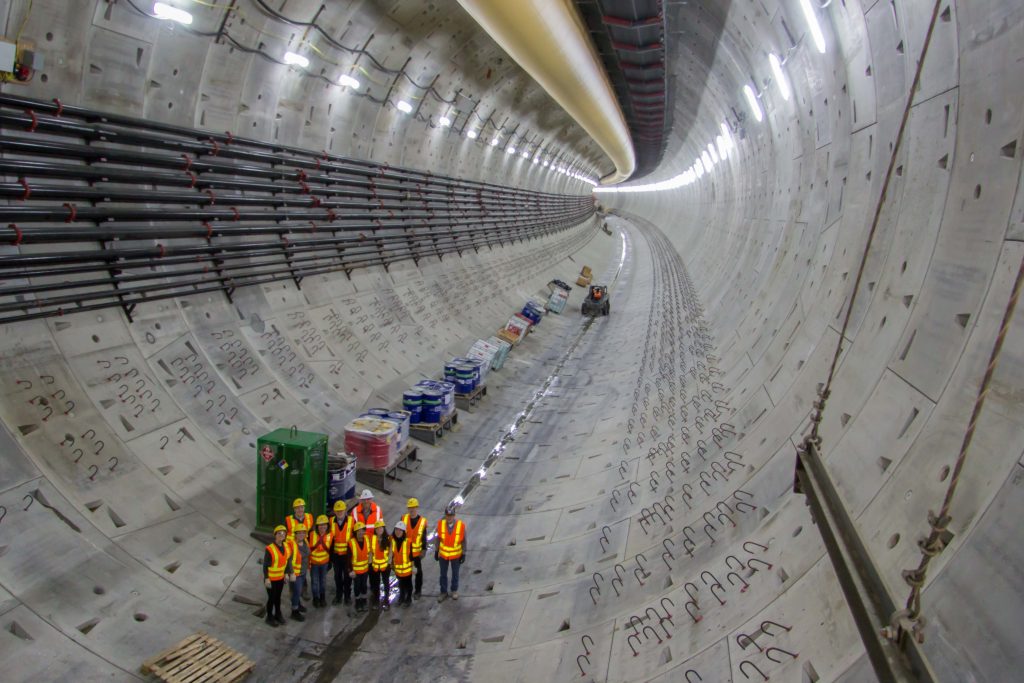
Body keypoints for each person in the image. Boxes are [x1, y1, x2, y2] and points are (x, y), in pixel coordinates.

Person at [435, 503, 466, 602]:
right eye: (447, 516)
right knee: (443, 574)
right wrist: (437, 551)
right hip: (443, 555)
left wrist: (463, 553)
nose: (449, 518)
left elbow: (464, 540)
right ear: (445, 516)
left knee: (455, 573)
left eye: (451, 516)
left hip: (456, 555)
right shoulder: (440, 524)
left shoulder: (460, 526)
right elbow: (438, 539)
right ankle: (443, 592)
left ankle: (454, 591)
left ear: (454, 516)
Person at [263, 525, 292, 627]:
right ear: (275, 535)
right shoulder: (270, 549)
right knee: (271, 598)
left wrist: (286, 574)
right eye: (279, 533)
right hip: (271, 579)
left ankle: (278, 614)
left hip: (280, 578)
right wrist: (266, 578)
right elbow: (265, 565)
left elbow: (286, 562)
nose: (281, 535)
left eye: (283, 533)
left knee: (278, 597)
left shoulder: (287, 547)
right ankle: (269, 617)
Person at [402, 498, 428, 599]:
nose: (411, 510)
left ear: (417, 508)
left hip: (417, 553)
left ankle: (418, 591)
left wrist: (423, 549)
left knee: (418, 572)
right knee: (405, 573)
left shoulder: (422, 521)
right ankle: (405, 591)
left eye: (413, 507)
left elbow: (424, 537)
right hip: (406, 552)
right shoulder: (403, 519)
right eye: (410, 508)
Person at [330, 500, 354, 605]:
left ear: (345, 510)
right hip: (336, 556)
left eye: (341, 510)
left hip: (347, 555)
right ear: (334, 511)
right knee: (337, 576)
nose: (340, 512)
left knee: (347, 576)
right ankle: (339, 595)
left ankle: (347, 596)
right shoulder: (330, 521)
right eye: (338, 511)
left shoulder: (352, 521)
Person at [308, 514, 333, 608]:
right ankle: (315, 599)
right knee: (314, 582)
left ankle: (322, 598)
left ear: (327, 525)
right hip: (314, 563)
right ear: (317, 526)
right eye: (320, 525)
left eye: (324, 524)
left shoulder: (330, 535)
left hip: (324, 563)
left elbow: (331, 549)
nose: (322, 527)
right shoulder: (311, 534)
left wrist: (330, 562)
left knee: (322, 581)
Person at [287, 526, 310, 621]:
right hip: (295, 574)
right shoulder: (291, 544)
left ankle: (298, 604)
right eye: (299, 533)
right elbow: (288, 560)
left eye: (303, 533)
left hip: (303, 572)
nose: (301, 535)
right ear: (295, 534)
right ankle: (294, 611)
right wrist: (291, 573)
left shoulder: (305, 542)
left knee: (299, 591)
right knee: (296, 592)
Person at [348, 521, 371, 613]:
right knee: (357, 587)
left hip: (365, 569)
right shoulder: (351, 543)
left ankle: (364, 601)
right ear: (355, 532)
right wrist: (350, 570)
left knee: (364, 586)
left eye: (362, 531)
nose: (361, 533)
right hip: (356, 571)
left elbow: (369, 553)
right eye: (358, 531)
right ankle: (358, 602)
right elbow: (348, 559)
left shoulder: (367, 540)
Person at [369, 520, 391, 611]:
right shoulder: (372, 539)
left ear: (384, 529)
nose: (379, 530)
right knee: (376, 584)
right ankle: (376, 600)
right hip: (375, 566)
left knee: (386, 583)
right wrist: (370, 564)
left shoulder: (389, 539)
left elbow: (391, 552)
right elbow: (370, 552)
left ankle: (386, 600)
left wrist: (389, 564)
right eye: (377, 528)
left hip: (385, 566)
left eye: (381, 528)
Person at [391, 521, 414, 608]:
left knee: (408, 584)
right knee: (401, 584)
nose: (398, 532)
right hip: (398, 569)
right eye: (396, 530)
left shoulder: (408, 542)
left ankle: (408, 599)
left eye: (400, 530)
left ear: (404, 532)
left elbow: (412, 555)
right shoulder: (392, 541)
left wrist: (413, 567)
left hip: (407, 569)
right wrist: (392, 565)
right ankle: (401, 597)